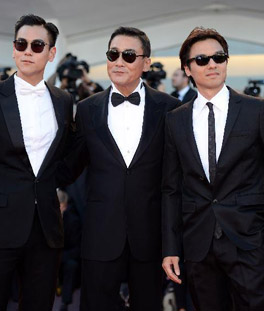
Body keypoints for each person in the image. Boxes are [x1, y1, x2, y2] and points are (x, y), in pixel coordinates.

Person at [162, 27, 264, 311]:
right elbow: (172, 188)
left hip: (250, 239)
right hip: (198, 243)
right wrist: (171, 247)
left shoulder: (257, 110)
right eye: (201, 60)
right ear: (187, 68)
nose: (212, 64)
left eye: (219, 57)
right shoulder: (175, 120)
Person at [0, 14, 74, 310]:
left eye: (37, 45)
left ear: (51, 53)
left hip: (46, 231)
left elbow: (62, 161)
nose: (27, 51)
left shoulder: (63, 100)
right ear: (13, 49)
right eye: (21, 43)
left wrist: (58, 190)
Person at [59, 26, 180, 311]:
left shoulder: (171, 108)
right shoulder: (88, 109)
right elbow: (70, 167)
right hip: (100, 235)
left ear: (146, 62)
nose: (119, 61)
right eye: (113, 54)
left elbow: (177, 178)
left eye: (128, 55)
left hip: (150, 237)